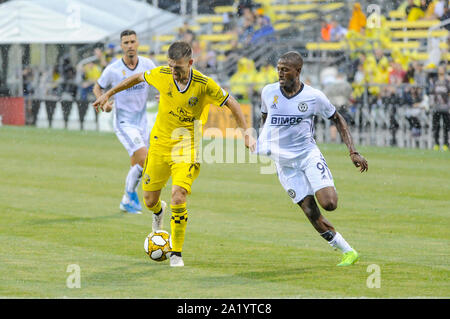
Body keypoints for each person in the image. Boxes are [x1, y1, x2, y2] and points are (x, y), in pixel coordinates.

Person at [93, 41, 256, 267]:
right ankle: (159, 212)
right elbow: (137, 78)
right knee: (149, 200)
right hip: (159, 145)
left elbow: (232, 103)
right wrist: (108, 94)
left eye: (177, 67)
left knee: (179, 195)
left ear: (190, 63)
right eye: (170, 66)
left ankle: (176, 253)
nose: (173, 71)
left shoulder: (204, 84)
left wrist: (246, 134)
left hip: (186, 147)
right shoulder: (162, 74)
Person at [255, 51, 368, 266]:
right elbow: (264, 118)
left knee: (329, 203)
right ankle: (347, 251)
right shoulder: (268, 92)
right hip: (285, 164)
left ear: (297, 71)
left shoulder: (314, 97)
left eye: (285, 69)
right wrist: (263, 143)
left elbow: (338, 119)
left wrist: (352, 151)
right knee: (310, 211)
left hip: (307, 155)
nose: (280, 72)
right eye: (278, 68)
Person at [93, 30, 157, 214]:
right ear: (121, 46)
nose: (130, 45)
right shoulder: (113, 70)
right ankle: (129, 196)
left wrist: (163, 94)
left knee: (138, 164)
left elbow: (160, 81)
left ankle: (126, 199)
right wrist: (104, 102)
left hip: (143, 122)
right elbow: (98, 87)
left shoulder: (147, 64)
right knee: (146, 159)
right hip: (124, 123)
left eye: (132, 41)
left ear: (138, 44)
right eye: (126, 42)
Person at [429, 65, 449, 151]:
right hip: (436, 108)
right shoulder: (435, 81)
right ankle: (436, 143)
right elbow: (432, 94)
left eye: (442, 69)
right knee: (436, 126)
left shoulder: (447, 82)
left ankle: (445, 144)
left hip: (445, 107)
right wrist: (431, 104)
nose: (440, 70)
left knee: (446, 127)